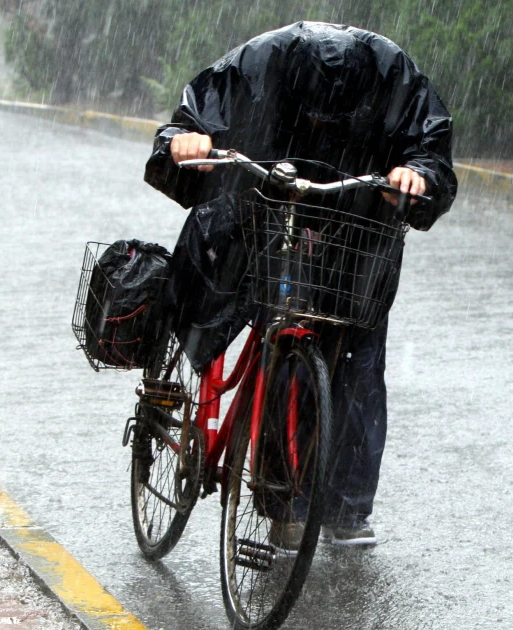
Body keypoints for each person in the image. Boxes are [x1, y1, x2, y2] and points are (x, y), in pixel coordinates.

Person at [144, 21, 457, 546]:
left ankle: (344, 508)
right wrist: (184, 138)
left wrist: (416, 173)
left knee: (359, 357)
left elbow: (428, 145)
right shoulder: (265, 60)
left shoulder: (388, 72)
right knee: (235, 307)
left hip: (353, 229)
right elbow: (196, 115)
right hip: (270, 213)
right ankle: (281, 496)